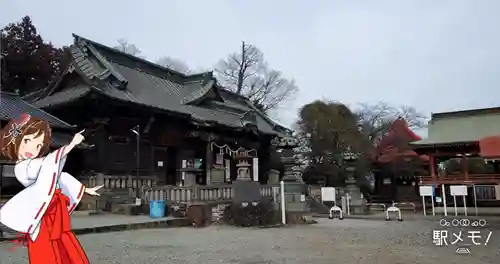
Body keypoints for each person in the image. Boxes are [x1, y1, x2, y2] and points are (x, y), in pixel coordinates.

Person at [0, 113, 103, 264]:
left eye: (38, 145)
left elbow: (59, 176)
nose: (32, 148)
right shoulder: (22, 167)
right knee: (44, 247)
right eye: (27, 140)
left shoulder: (40, 164)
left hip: (53, 211)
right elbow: (49, 163)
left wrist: (85, 189)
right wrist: (71, 145)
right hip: (41, 213)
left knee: (62, 243)